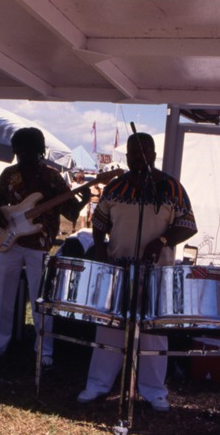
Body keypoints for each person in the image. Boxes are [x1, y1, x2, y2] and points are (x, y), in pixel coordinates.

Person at [77, 132, 198, 412]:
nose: (136, 158)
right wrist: (98, 245)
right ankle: (98, 384)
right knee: (110, 327)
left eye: (142, 153)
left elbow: (188, 225)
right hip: (119, 268)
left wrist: (163, 241)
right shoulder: (116, 187)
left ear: (153, 155)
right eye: (132, 153)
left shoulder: (171, 187)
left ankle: (154, 391)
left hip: (155, 272)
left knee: (154, 331)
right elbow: (100, 221)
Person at [0, 127, 91, 368]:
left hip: (39, 245)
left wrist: (83, 197)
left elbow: (70, 211)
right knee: (2, 298)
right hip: (9, 242)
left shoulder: (52, 177)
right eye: (19, 152)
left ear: (39, 151)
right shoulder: (9, 174)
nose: (23, 157)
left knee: (40, 299)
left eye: (27, 152)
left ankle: (44, 350)